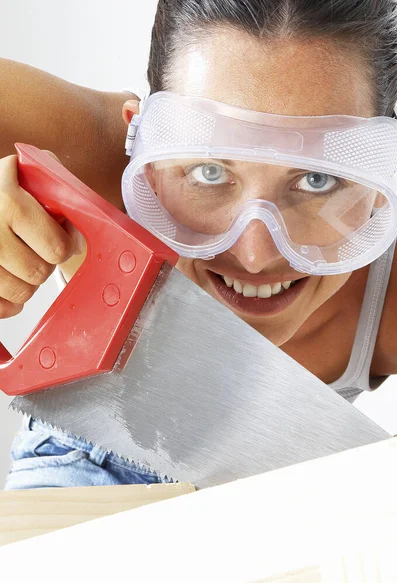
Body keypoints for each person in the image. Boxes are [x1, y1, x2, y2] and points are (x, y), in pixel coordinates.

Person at [3, 0, 397, 489]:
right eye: (208, 172)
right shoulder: (102, 153)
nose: (255, 254)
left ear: (383, 177)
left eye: (318, 179)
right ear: (137, 140)